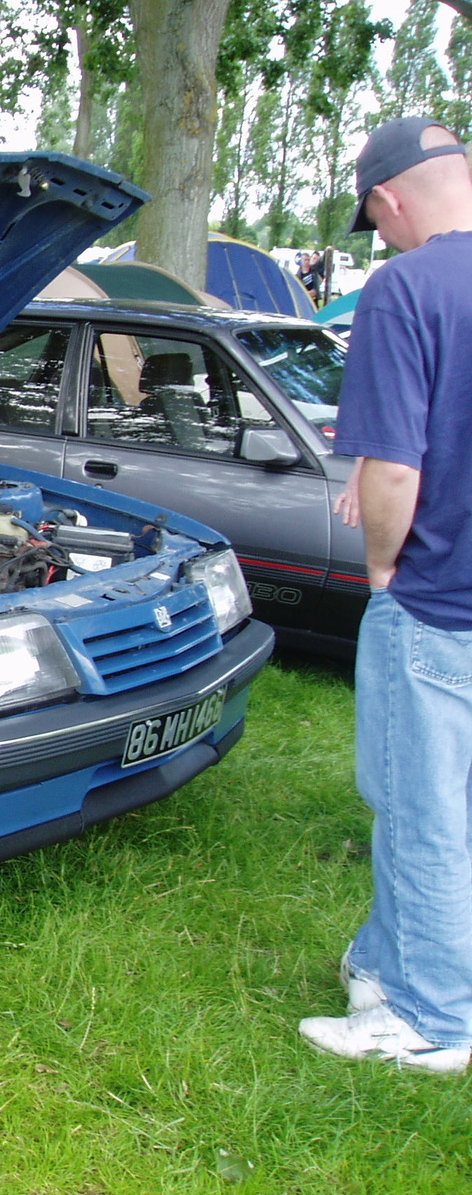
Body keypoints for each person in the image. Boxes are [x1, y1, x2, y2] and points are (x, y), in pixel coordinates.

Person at [298, 116, 472, 1074]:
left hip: (441, 600)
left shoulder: (405, 290)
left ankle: (427, 1019)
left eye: (376, 218)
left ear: (389, 199)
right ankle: (391, 963)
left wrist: (379, 570)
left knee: (419, 807)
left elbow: (393, 472)